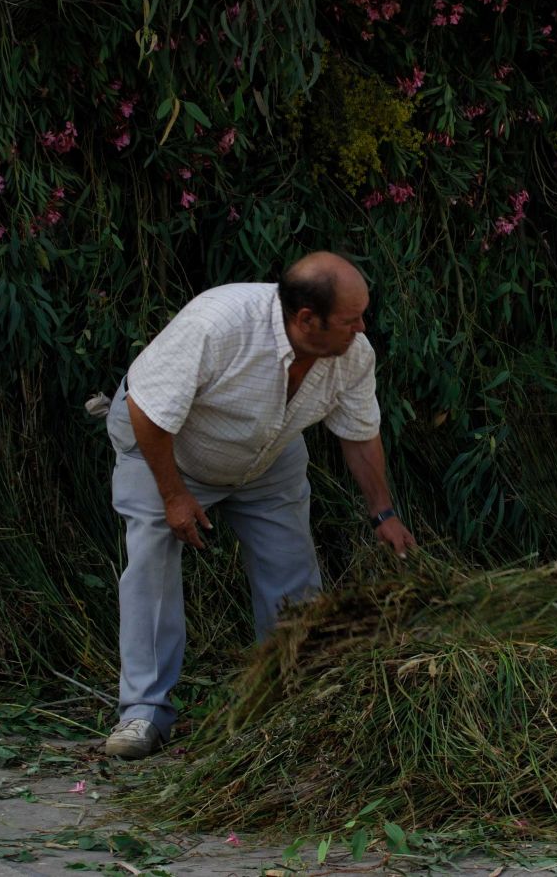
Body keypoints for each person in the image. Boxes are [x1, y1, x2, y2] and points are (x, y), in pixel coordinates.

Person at [103, 251, 416, 759]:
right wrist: (173, 495)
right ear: (306, 319)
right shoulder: (218, 323)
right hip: (166, 448)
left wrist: (384, 513)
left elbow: (360, 435)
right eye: (351, 318)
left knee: (292, 568)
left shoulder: (353, 354)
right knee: (151, 563)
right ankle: (144, 714)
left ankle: (294, 702)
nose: (363, 327)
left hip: (267, 455)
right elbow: (148, 409)